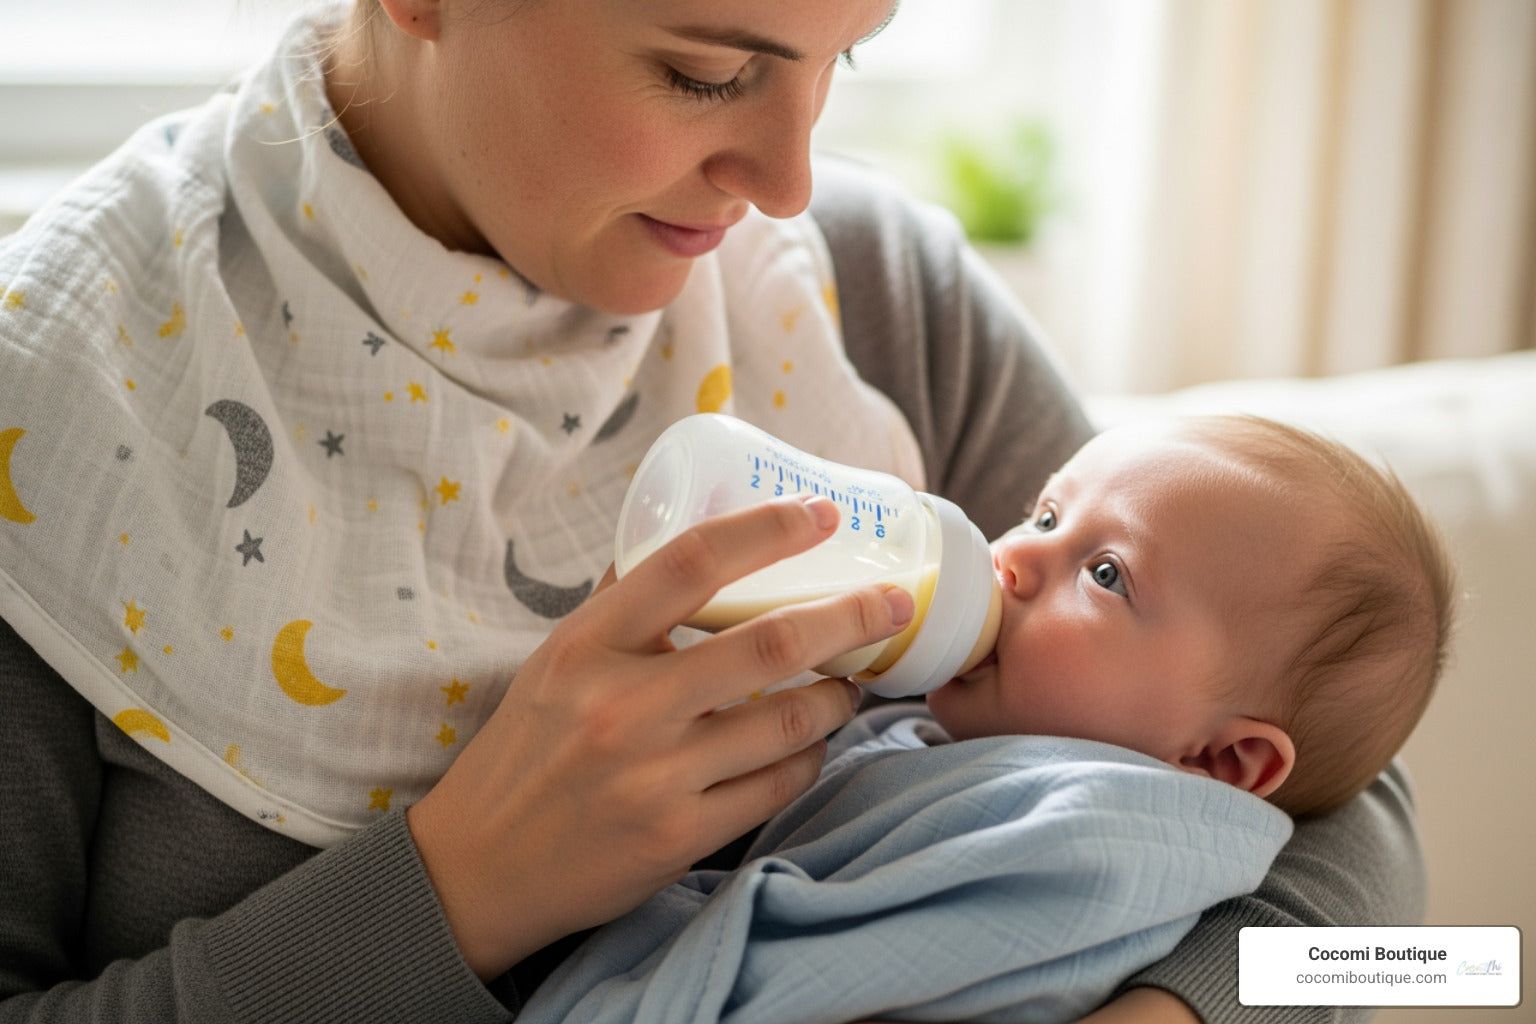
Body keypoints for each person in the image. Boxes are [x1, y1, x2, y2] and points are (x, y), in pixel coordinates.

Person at [0, 2, 1424, 1022]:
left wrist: (1179, 1011)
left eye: (839, 60)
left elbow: (1371, 860)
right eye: (703, 72)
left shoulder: (861, 289)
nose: (787, 183)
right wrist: (458, 893)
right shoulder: (60, 404)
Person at [510, 413, 1455, 1024]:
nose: (1010, 558)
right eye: (1045, 513)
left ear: (1222, 760)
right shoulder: (942, 737)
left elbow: (1430, 960)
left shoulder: (1089, 838)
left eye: (1107, 573)